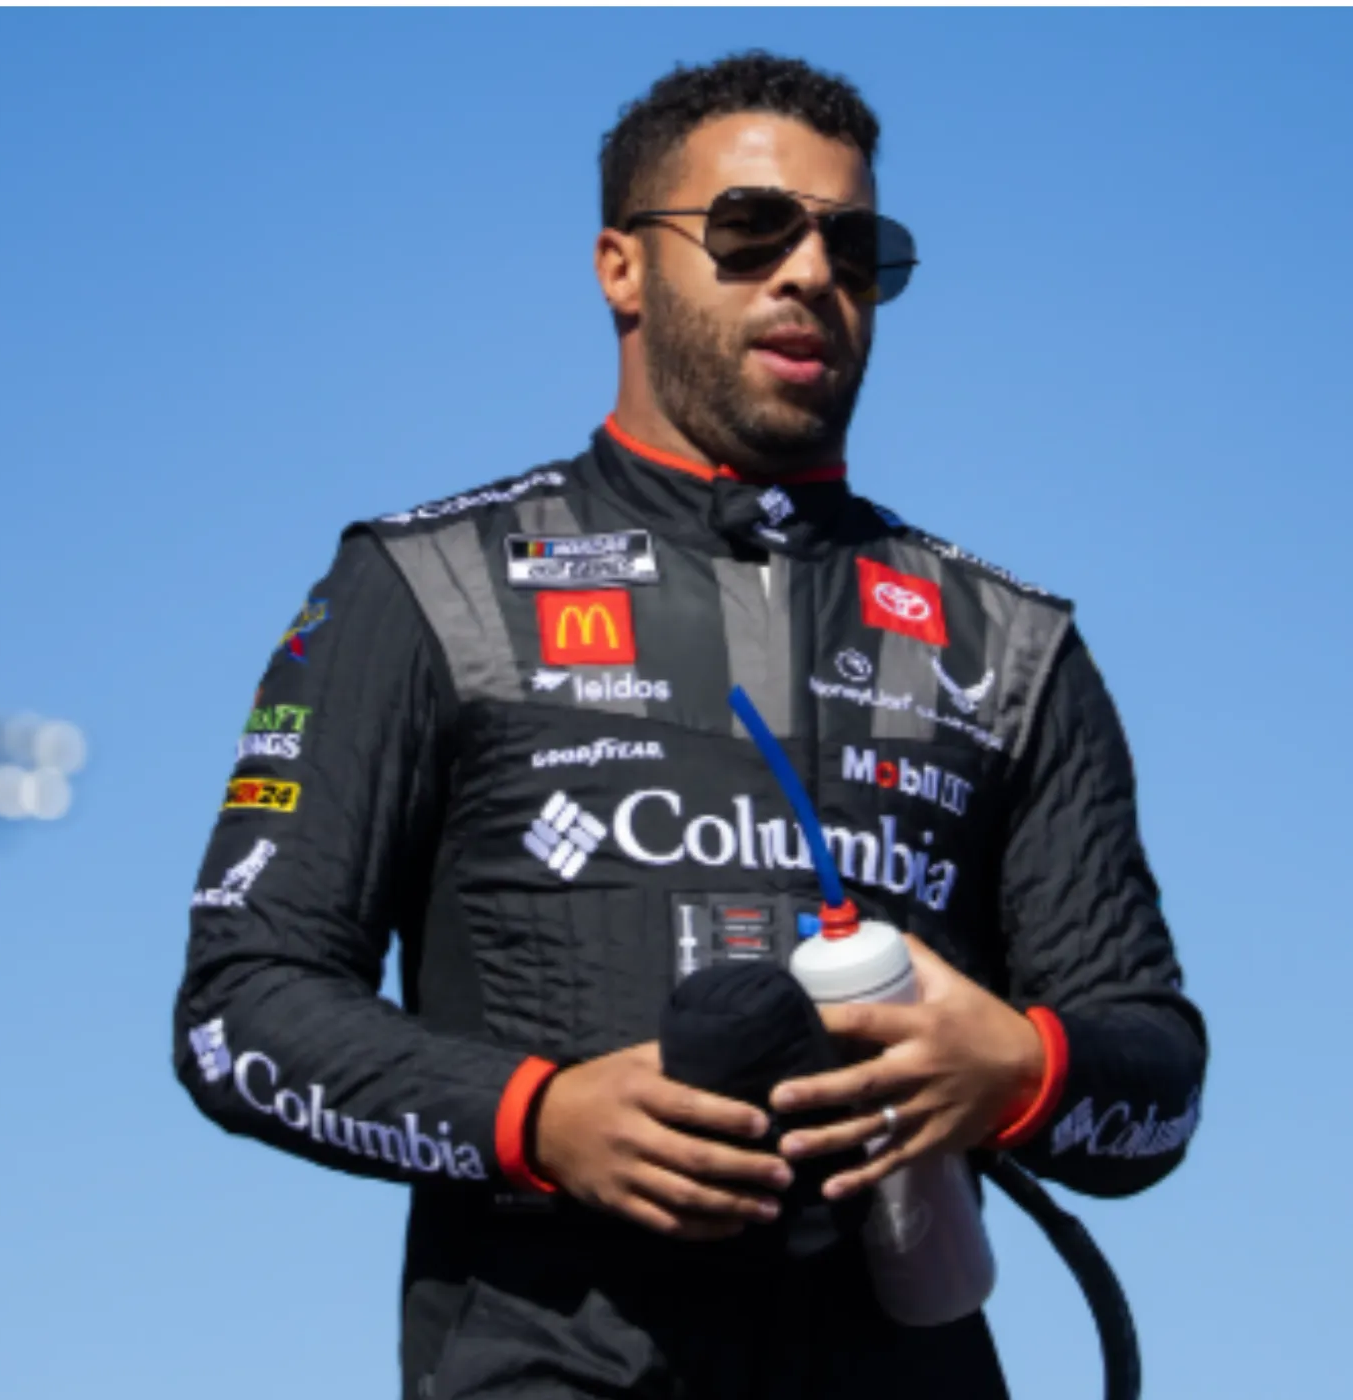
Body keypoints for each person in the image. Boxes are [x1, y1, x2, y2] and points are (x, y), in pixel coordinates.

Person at [174, 51, 1207, 1399]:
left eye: (855, 246)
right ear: (621, 267)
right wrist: (539, 1119)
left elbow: (1159, 1080)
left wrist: (1019, 1067)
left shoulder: (1011, 646)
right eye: (751, 229)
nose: (809, 273)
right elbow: (239, 1011)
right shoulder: (425, 586)